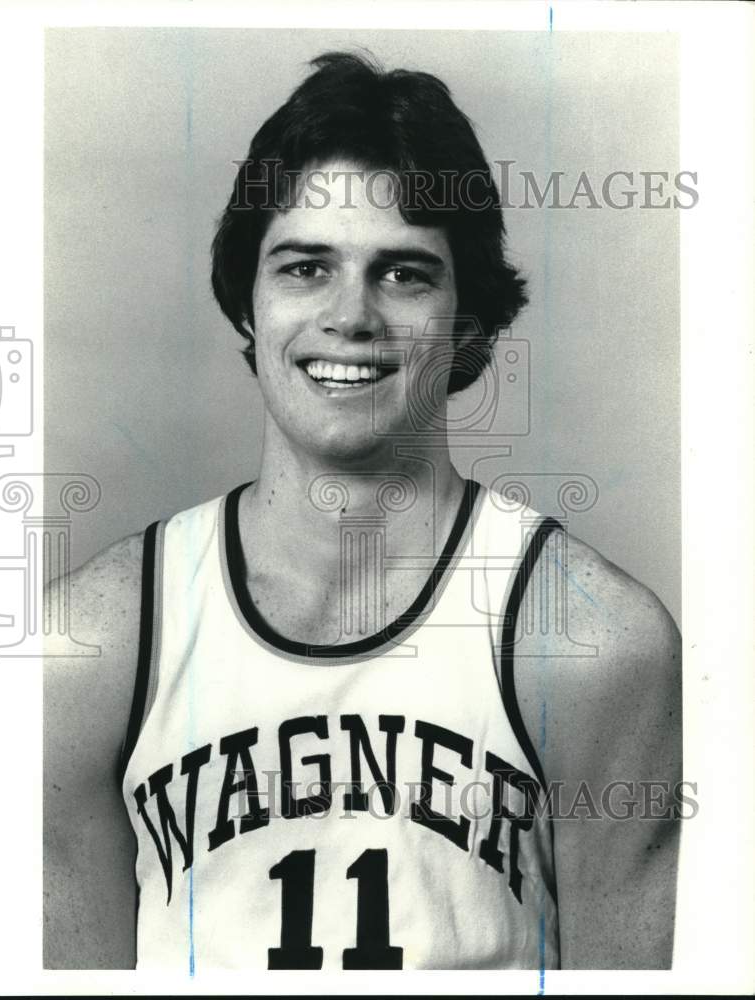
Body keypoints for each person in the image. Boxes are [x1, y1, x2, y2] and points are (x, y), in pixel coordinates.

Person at [43, 51, 681, 971]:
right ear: (248, 304)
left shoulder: (593, 645)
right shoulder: (86, 651)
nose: (352, 317)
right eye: (305, 267)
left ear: (470, 319)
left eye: (405, 274)